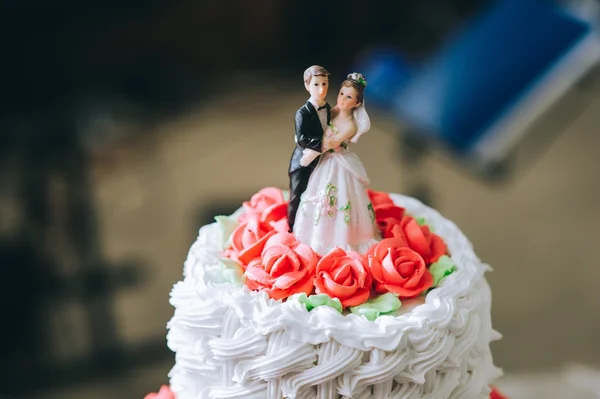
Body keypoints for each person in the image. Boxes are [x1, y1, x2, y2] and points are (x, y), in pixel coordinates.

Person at [293, 73, 379, 255]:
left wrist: (310, 152)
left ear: (356, 103)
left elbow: (329, 143)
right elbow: (319, 123)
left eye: (349, 97)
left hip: (337, 162)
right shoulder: (332, 112)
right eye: (341, 94)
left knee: (338, 198)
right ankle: (314, 234)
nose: (342, 99)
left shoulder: (349, 126)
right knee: (316, 194)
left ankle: (339, 238)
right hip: (324, 161)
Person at [287, 65, 332, 232]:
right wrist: (325, 144)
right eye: (316, 84)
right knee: (298, 197)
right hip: (303, 163)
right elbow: (302, 139)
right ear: (307, 85)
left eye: (325, 84)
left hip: (324, 161)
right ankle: (292, 228)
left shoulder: (327, 108)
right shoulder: (302, 113)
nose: (321, 89)